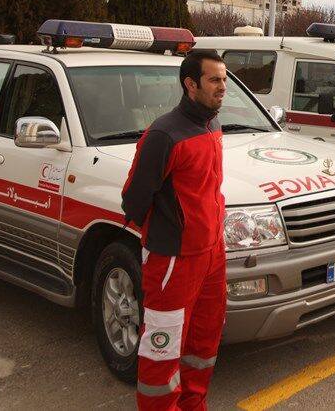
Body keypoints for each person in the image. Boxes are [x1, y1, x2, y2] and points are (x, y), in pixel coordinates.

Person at [122, 50, 228, 410]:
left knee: (203, 343)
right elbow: (134, 198)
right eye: (214, 80)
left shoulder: (212, 125)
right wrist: (170, 232)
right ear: (190, 84)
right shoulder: (164, 134)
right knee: (162, 350)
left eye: (224, 79)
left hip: (212, 255)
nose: (223, 87)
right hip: (174, 261)